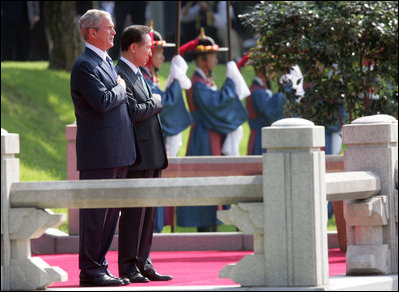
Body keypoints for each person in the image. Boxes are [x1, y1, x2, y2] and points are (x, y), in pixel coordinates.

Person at [70, 9, 136, 287]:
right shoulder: (85, 64)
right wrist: (121, 86)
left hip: (117, 150)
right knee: (96, 215)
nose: (114, 32)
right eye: (108, 28)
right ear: (91, 32)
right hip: (100, 153)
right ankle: (91, 269)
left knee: (110, 215)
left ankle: (100, 266)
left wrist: (118, 88)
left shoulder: (106, 61)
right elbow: (102, 101)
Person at [176, 29, 249, 232]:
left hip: (210, 135)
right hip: (203, 138)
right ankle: (205, 229)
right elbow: (217, 105)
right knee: (205, 183)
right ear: (202, 60)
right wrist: (231, 82)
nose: (216, 61)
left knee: (213, 182)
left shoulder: (205, 81)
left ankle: (211, 226)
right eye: (212, 57)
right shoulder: (198, 85)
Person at [115, 24, 173, 283]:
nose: (151, 51)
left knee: (148, 214)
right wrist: (157, 101)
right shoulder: (119, 75)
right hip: (137, 154)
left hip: (151, 154)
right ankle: (128, 266)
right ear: (133, 47)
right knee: (134, 214)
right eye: (147, 46)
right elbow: (134, 111)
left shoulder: (139, 74)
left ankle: (143, 262)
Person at [140, 27, 193, 233]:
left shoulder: (150, 77)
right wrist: (175, 82)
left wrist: (172, 81)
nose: (163, 57)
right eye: (159, 52)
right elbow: (165, 104)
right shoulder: (143, 78)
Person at [237, 52, 287, 155]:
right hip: (260, 139)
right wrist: (286, 90)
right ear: (261, 70)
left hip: (263, 137)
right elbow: (270, 111)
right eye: (270, 66)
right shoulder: (257, 92)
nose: (272, 69)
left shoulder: (260, 90)